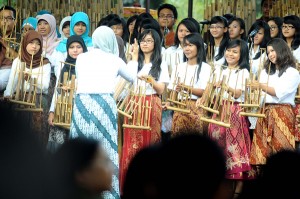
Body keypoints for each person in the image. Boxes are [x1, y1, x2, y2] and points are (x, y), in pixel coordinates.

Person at [69, 26, 138, 199]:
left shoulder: (82, 58)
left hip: (82, 102)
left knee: (81, 146)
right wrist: (134, 59)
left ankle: (76, 191)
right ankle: (109, 195)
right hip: (104, 103)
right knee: (105, 147)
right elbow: (131, 77)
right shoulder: (114, 59)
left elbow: (80, 76)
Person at [119, 29, 169, 194]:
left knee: (150, 141)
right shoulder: (134, 62)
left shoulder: (160, 64)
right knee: (131, 143)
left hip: (151, 101)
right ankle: (128, 184)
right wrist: (132, 59)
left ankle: (150, 185)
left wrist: (151, 81)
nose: (145, 43)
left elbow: (161, 89)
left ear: (156, 43)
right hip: (134, 102)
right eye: (142, 40)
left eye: (149, 40)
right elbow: (127, 81)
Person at [207, 39, 252, 199]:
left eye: (235, 52)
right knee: (218, 147)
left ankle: (238, 191)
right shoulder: (220, 69)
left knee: (235, 149)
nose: (230, 54)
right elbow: (210, 92)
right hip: (219, 110)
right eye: (228, 50)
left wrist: (225, 86)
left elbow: (238, 93)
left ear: (242, 55)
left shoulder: (243, 72)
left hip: (234, 111)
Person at [250, 38, 300, 170]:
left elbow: (279, 93)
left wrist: (260, 85)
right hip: (264, 111)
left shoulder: (292, 72)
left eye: (273, 51)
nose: (270, 54)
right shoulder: (266, 71)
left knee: (280, 148)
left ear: (281, 50)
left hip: (282, 112)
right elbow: (260, 96)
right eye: (268, 52)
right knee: (262, 152)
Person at [4, 30, 51, 146]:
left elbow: (44, 87)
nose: (34, 46)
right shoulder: (18, 61)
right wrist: (7, 95)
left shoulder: (45, 63)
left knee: (36, 132)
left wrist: (31, 79)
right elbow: (11, 83)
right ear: (25, 44)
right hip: (19, 97)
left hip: (38, 99)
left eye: (37, 43)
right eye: (31, 43)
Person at [47, 35, 88, 152]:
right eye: (71, 47)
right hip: (63, 109)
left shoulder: (87, 67)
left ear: (84, 48)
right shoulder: (65, 67)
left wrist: (72, 85)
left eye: (78, 47)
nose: (75, 50)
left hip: (80, 110)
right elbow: (57, 90)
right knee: (59, 147)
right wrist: (52, 111)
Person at [167, 33, 210, 135]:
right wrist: (173, 96)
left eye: (190, 45)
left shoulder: (206, 67)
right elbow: (172, 93)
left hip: (197, 108)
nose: (187, 48)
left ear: (198, 47)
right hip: (180, 107)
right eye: (185, 45)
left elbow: (204, 92)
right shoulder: (178, 67)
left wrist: (186, 88)